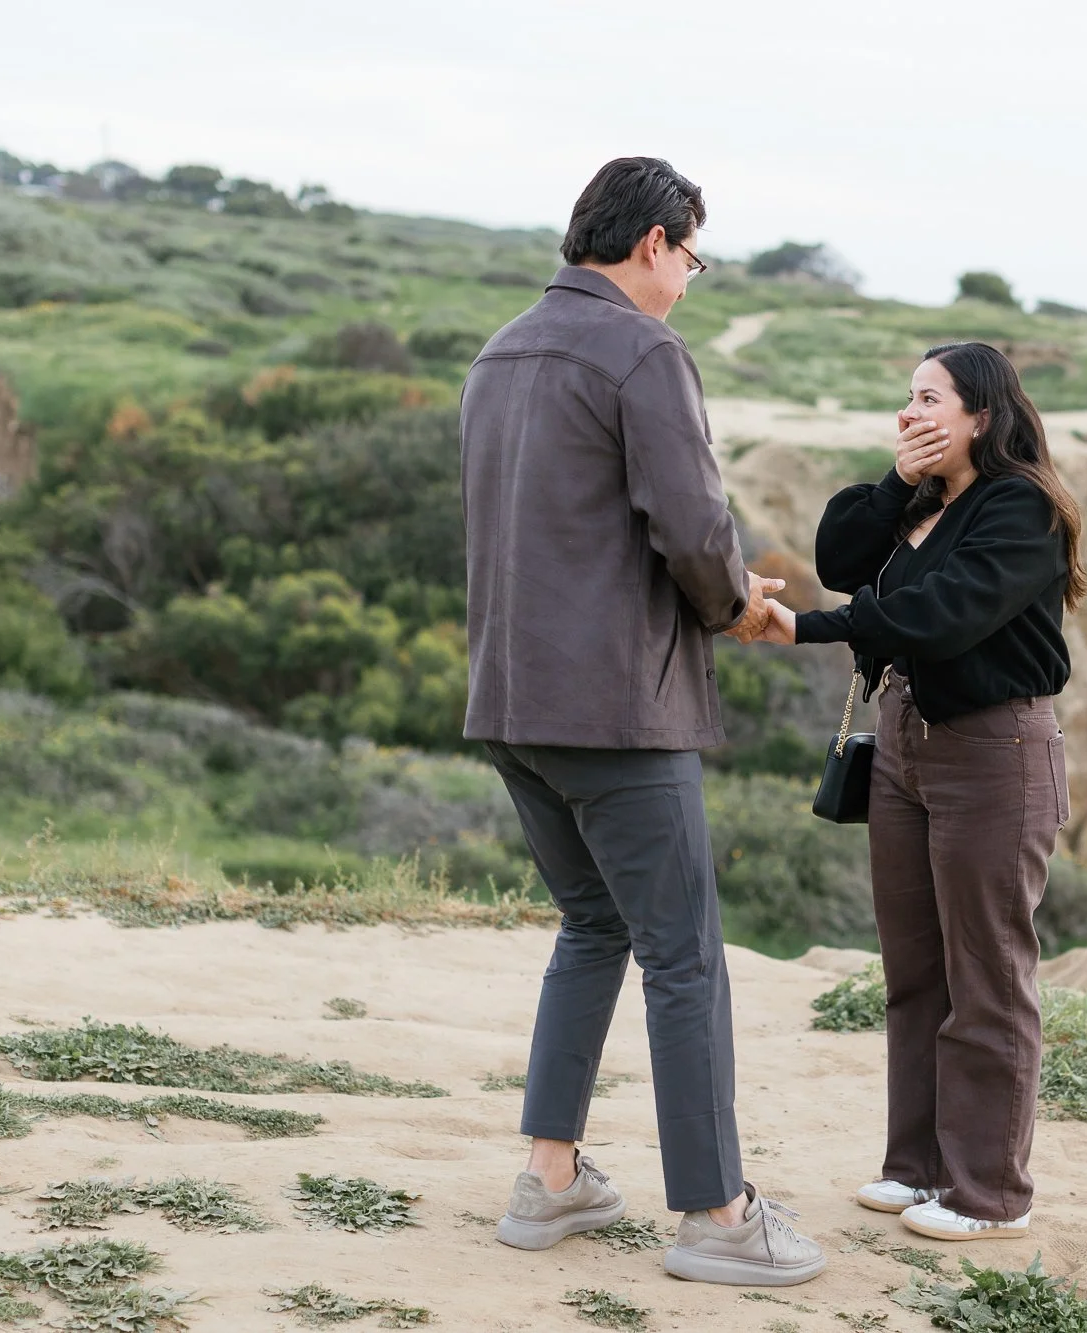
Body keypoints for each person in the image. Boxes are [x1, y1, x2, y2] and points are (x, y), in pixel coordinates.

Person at [461, 156, 825, 1287]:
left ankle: (551, 1178)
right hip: (615, 710)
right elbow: (690, 524)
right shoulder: (641, 349)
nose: (688, 282)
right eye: (692, 259)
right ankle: (717, 1214)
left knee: (591, 927)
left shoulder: (499, 349)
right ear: (655, 241)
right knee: (684, 956)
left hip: (511, 703)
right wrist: (739, 605)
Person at [755, 341, 1087, 1242]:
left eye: (931, 398)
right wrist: (899, 484)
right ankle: (919, 1167)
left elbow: (942, 617)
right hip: (905, 743)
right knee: (915, 972)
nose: (911, 412)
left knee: (987, 976)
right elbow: (838, 553)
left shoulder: (1019, 508)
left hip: (993, 750)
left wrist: (808, 630)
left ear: (982, 413)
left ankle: (989, 1194)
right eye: (906, 398)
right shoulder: (921, 504)